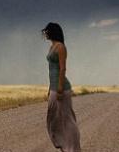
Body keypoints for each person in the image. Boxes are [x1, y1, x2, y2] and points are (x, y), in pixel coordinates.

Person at [42, 22, 81, 152]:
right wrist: (50, 88)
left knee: (67, 119)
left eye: (47, 31)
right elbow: (51, 70)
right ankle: (63, 144)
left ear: (53, 32)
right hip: (53, 87)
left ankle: (73, 148)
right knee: (53, 118)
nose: (45, 34)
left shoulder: (60, 47)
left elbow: (62, 68)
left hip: (62, 88)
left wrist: (59, 88)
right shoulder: (52, 46)